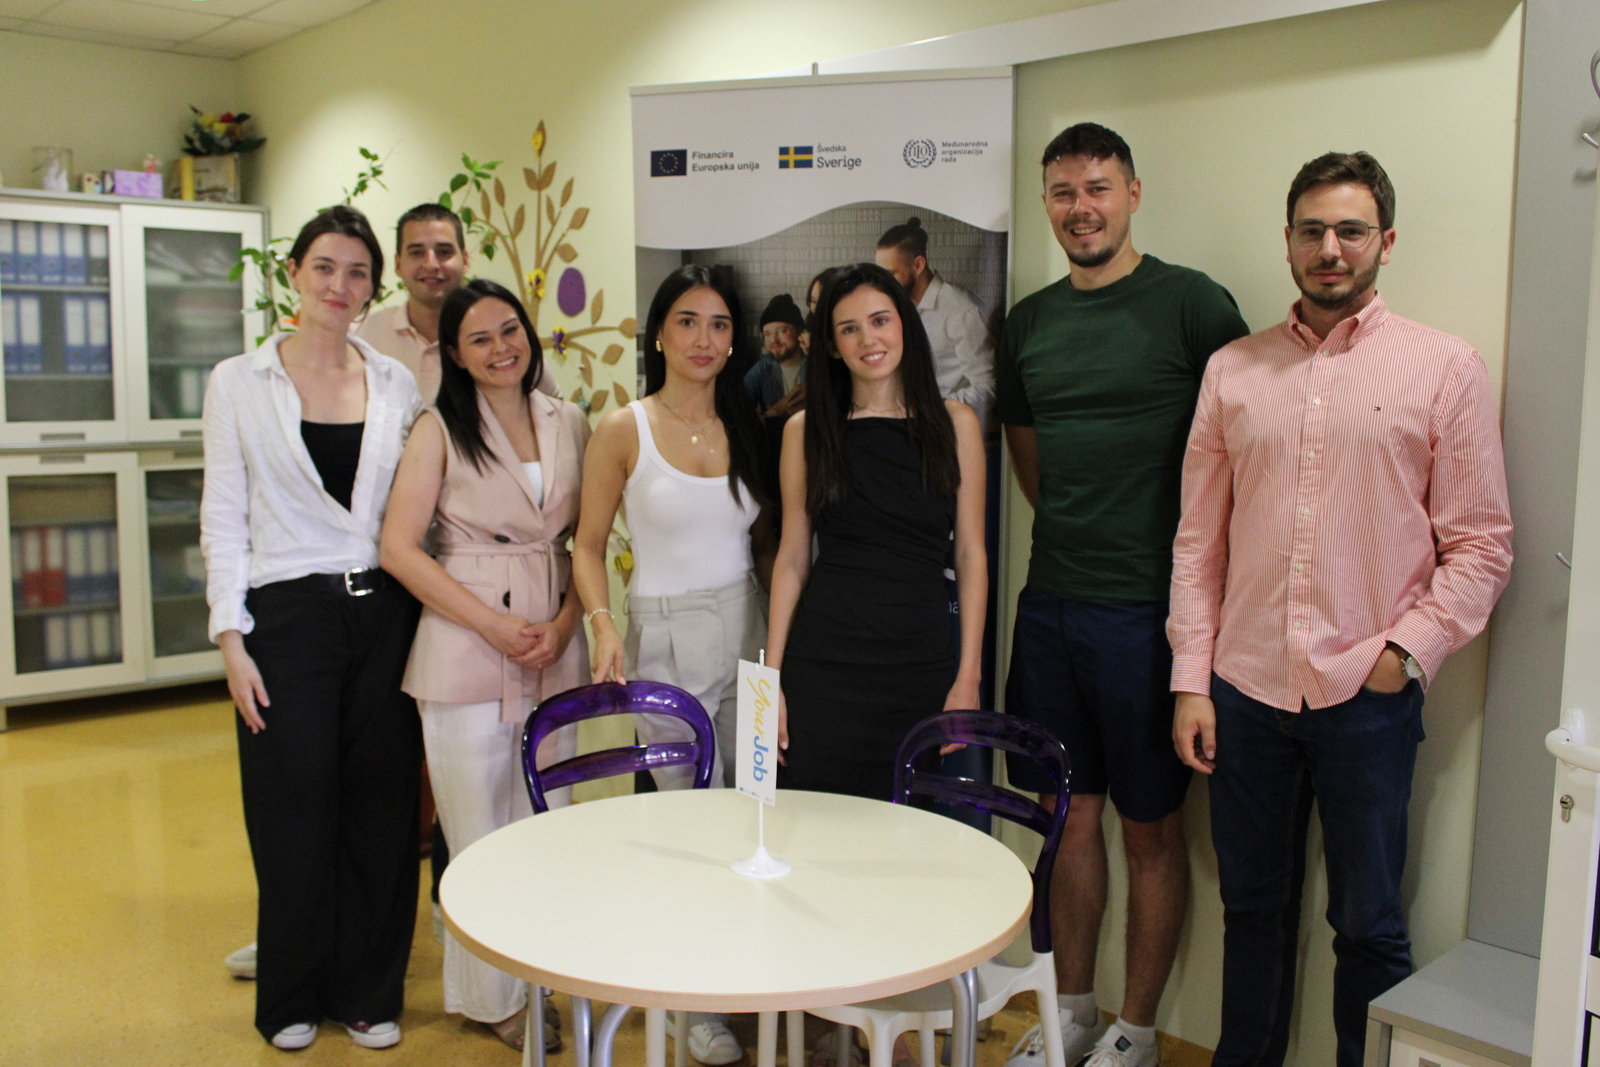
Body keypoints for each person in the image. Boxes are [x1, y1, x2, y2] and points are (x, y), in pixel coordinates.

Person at [1168, 151, 1513, 1067]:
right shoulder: (1233, 370)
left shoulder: (1444, 367)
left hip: (1368, 696)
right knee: (1252, 912)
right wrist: (1191, 680)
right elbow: (1199, 542)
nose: (1331, 248)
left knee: (1369, 925)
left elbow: (1482, 544)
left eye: (1351, 231)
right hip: (1244, 691)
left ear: (1385, 242)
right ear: (1287, 241)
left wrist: (1404, 653)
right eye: (1313, 230)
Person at [996, 123, 1250, 1067]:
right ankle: (1071, 1014)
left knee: (1151, 828)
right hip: (1052, 605)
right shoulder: (1028, 323)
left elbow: (1244, 444)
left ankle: (1136, 1033)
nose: (1081, 208)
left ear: (1133, 193)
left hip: (1154, 618)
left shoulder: (1192, 304)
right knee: (1067, 817)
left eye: (1098, 188)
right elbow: (1033, 465)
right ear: (1046, 202)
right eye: (1063, 192)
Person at [201, 205, 423, 1052]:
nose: (340, 284)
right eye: (325, 267)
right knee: (292, 805)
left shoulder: (395, 383)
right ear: (293, 273)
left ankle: (367, 991)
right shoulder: (239, 381)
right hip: (285, 617)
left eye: (358, 272)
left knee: (380, 806)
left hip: (382, 610)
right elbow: (223, 516)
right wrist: (231, 640)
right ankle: (290, 993)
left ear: (373, 287)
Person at [379, 279, 588, 1055]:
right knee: (477, 831)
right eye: (480, 339)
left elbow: (588, 539)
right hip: (467, 641)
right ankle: (491, 999)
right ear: (456, 356)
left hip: (552, 639)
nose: (502, 348)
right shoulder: (437, 428)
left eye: (511, 330)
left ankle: (538, 977)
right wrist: (494, 625)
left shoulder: (568, 419)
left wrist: (566, 620)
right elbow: (398, 548)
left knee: (546, 819)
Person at [572, 263, 771, 1067]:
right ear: (659, 332)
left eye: (719, 324)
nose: (703, 339)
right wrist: (601, 624)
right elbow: (586, 544)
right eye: (687, 321)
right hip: (665, 629)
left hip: (748, 621)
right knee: (685, 813)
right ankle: (693, 999)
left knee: (751, 802)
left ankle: (741, 967)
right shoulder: (626, 428)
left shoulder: (747, 424)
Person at [768, 261, 987, 802]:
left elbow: (971, 555)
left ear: (904, 325)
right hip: (824, 664)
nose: (868, 339)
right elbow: (792, 558)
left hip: (919, 663)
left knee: (908, 832)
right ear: (830, 345)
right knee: (813, 824)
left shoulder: (955, 425)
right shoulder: (805, 431)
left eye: (880, 320)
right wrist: (770, 681)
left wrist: (969, 677)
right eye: (849, 328)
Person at [355, 202, 560, 405]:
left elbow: (554, 408)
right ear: (398, 264)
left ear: (465, 260)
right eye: (417, 252)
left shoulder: (503, 339)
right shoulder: (364, 336)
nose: (431, 264)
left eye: (444, 252)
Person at [873, 217, 996, 428]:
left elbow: (988, 388)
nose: (884, 283)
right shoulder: (897, 309)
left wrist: (931, 409)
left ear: (918, 265)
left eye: (891, 274)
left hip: (949, 430)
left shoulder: (962, 311)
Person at [743, 293, 806, 413]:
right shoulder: (763, 368)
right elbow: (739, 404)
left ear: (799, 331)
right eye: (767, 334)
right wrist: (776, 411)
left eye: (781, 331)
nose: (773, 340)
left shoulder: (816, 365)